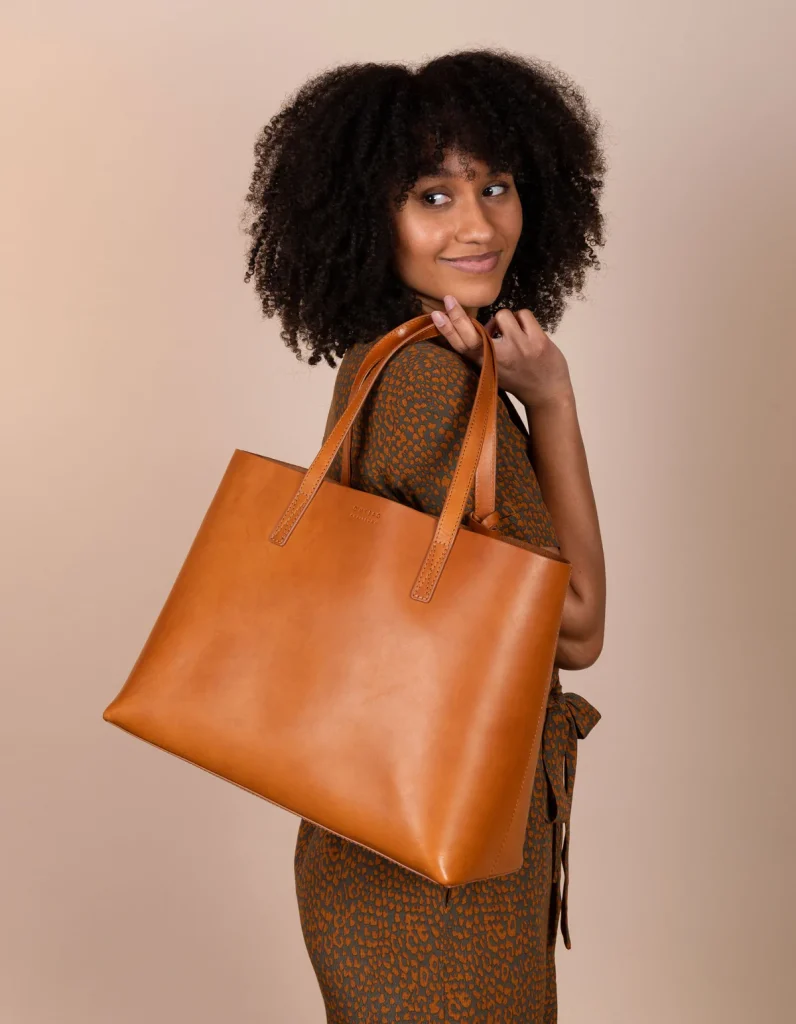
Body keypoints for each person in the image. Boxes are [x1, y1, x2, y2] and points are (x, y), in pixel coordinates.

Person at [242, 47, 607, 1024]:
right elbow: (576, 628)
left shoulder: (382, 357)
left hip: (380, 833)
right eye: (433, 196)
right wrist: (554, 400)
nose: (478, 224)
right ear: (370, 214)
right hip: (438, 866)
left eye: (496, 186)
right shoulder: (434, 385)